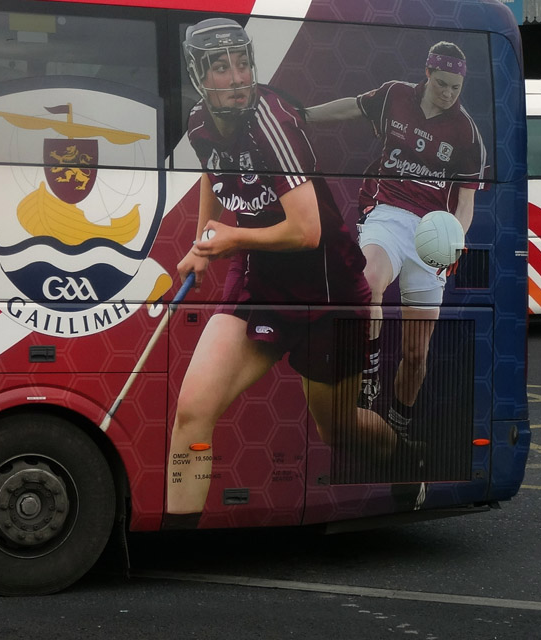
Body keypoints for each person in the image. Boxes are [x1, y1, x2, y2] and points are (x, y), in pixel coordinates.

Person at [165, 18, 404, 528]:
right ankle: (177, 545)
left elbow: (307, 230)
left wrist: (230, 237)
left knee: (339, 432)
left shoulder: (273, 122)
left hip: (327, 289)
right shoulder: (199, 124)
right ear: (199, 77)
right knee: (192, 412)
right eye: (221, 68)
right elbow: (215, 170)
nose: (236, 77)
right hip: (259, 280)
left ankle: (408, 462)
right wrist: (204, 244)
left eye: (243, 63)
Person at [304, 41, 487, 440]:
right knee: (367, 284)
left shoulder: (467, 134)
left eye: (455, 87)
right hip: (387, 213)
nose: (448, 94)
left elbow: (466, 204)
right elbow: (352, 105)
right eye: (441, 84)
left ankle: (400, 421)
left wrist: (454, 243)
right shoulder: (394, 96)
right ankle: (367, 381)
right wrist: (301, 117)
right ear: (427, 73)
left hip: (433, 232)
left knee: (416, 353)